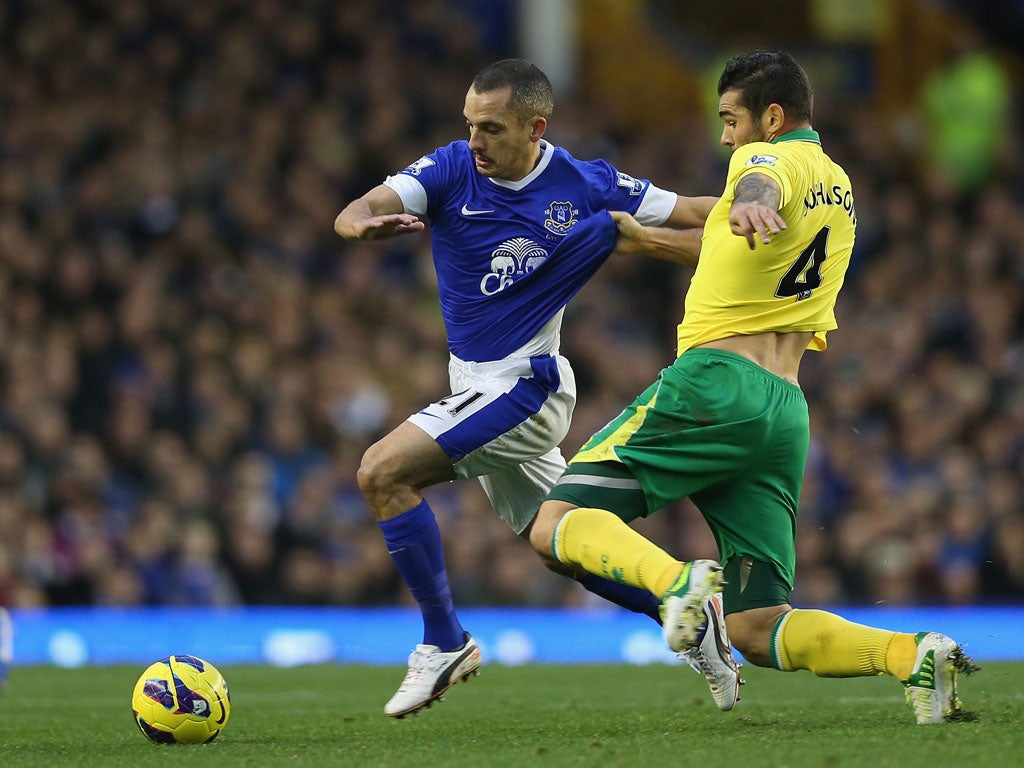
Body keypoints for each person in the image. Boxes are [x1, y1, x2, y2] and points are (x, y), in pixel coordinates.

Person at [528, 50, 977, 723]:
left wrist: (749, 199)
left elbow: (755, 188)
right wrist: (650, 240)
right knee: (757, 625)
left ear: (772, 116)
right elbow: (737, 243)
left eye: (731, 119)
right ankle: (911, 656)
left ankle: (680, 586)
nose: (725, 137)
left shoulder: (769, 160)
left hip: (715, 385)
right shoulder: (838, 186)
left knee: (553, 524)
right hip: (782, 409)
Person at [334, 58, 717, 718]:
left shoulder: (585, 182)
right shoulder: (451, 169)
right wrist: (359, 224)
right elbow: (361, 205)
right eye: (470, 125)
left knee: (380, 472)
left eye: (491, 128)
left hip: (526, 386)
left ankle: (444, 642)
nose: (475, 140)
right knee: (557, 544)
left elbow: (692, 210)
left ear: (535, 128)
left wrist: (765, 209)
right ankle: (685, 612)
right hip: (476, 382)